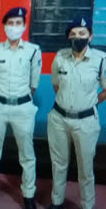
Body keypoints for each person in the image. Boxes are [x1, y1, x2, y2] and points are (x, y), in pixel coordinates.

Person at [0, 7, 42, 209]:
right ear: (4, 26)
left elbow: (33, 85)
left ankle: (29, 195)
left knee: (27, 154)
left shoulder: (33, 51)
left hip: (23, 109)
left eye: (18, 23)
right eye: (10, 23)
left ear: (24, 26)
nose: (14, 27)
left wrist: (18, 99)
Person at [47, 16, 106, 209]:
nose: (78, 37)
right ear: (68, 37)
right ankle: (57, 202)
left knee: (86, 169)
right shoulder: (60, 57)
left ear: (90, 36)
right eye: (73, 34)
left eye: (82, 33)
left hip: (86, 122)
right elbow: (56, 85)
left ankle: (87, 205)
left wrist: (89, 103)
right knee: (58, 164)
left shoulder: (101, 59)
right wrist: (68, 103)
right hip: (58, 119)